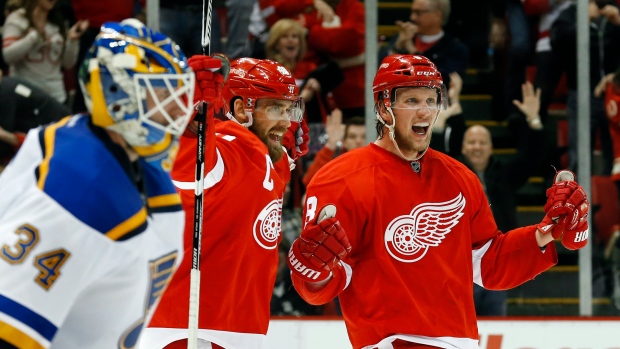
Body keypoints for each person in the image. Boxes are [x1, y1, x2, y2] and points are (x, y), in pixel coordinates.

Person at [287, 54, 590, 349]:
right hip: (393, 341)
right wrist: (312, 272)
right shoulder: (338, 180)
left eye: (431, 100)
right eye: (412, 101)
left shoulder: (460, 177)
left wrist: (545, 232)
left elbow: (487, 262)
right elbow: (321, 285)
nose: (425, 111)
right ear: (383, 106)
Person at [0, 19, 194, 348]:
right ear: (118, 95)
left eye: (178, 94)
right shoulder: (78, 194)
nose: (176, 108)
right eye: (162, 93)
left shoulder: (134, 168)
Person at [139, 57, 308, 349]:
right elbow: (187, 161)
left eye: (289, 109)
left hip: (239, 324)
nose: (286, 120)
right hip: (187, 327)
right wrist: (190, 115)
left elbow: (266, 171)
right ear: (242, 109)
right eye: (276, 108)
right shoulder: (226, 144)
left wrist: (283, 148)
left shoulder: (269, 156)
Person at [460, 82, 545, 316]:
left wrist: (534, 120)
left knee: (495, 323)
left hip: (496, 263)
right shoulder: (452, 178)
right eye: (472, 142)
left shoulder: (505, 175)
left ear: (491, 147)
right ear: (463, 147)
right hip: (459, 266)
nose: (477, 147)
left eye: (482, 142)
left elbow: (531, 158)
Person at [2, 0, 89, 104]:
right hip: (25, 96)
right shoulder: (17, 18)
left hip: (56, 97)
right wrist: (35, 35)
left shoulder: (58, 20)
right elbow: (8, 57)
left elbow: (68, 64)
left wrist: (72, 40)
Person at [381, 0, 468, 87]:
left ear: (437, 14)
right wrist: (398, 46)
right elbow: (378, 71)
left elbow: (445, 81)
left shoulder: (455, 48)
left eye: (418, 13)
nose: (412, 17)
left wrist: (413, 51)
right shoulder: (401, 38)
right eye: (412, 12)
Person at [0, 70, 70, 170]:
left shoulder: (4, 93)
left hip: (57, 130)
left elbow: (4, 146)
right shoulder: (6, 85)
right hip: (51, 125)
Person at [302, 111, 365, 186]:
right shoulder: (337, 163)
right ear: (344, 142)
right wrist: (331, 144)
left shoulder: (380, 160)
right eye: (352, 136)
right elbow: (309, 181)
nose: (358, 141)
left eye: (364, 136)